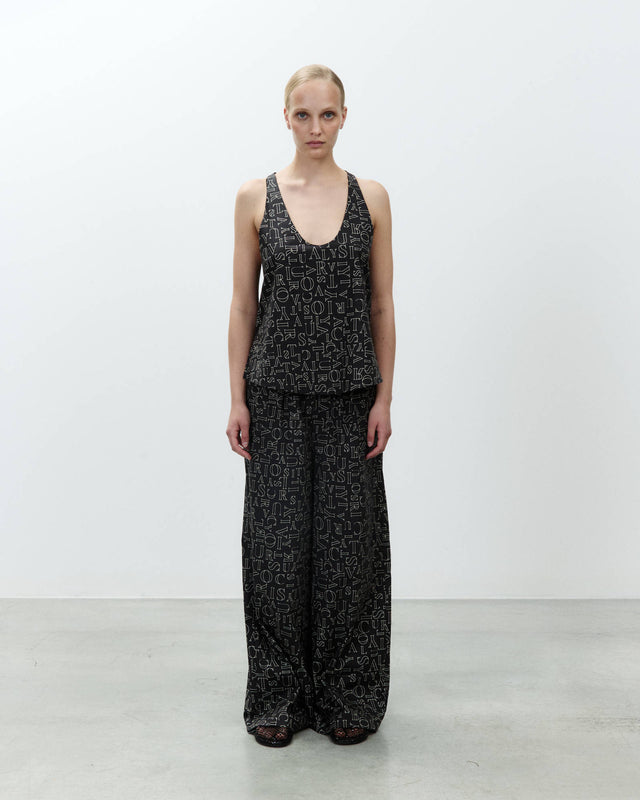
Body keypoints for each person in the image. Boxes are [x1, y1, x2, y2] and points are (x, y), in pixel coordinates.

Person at [226, 63, 395, 748]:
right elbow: (243, 305)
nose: (315, 127)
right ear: (286, 118)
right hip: (274, 394)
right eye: (304, 114)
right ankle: (278, 695)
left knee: (350, 553)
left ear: (344, 117)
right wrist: (236, 397)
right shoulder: (255, 198)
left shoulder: (371, 198)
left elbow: (381, 304)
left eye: (328, 114)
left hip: (352, 395)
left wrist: (385, 396)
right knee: (275, 550)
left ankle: (348, 692)